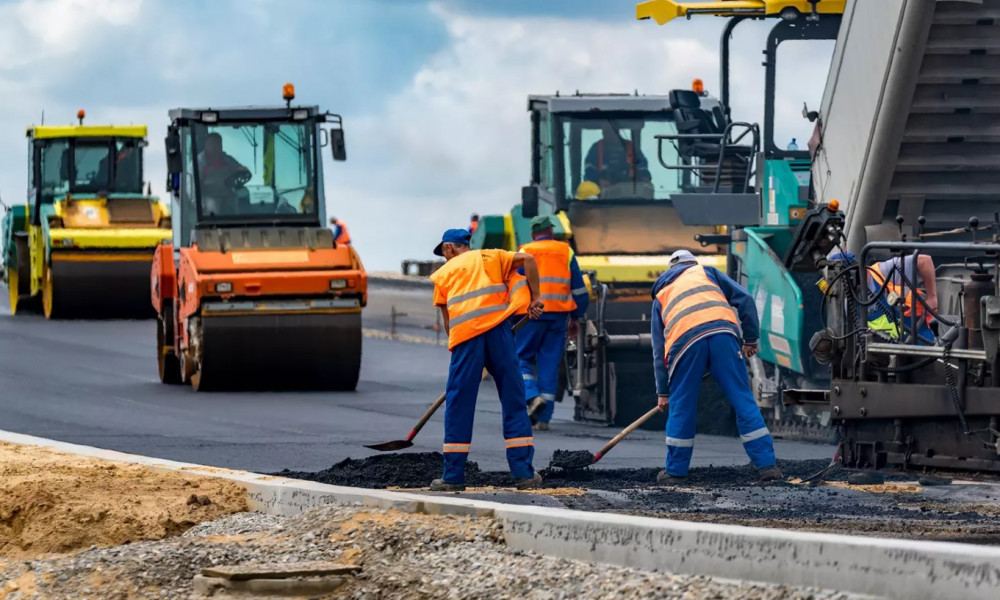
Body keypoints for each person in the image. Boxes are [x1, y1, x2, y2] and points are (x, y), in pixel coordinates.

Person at [428, 228, 546, 491]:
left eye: (444, 252)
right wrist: (536, 297)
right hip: (500, 333)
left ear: (449, 248)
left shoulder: (443, 274)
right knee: (514, 400)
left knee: (459, 404)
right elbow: (528, 260)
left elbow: (449, 324)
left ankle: (453, 477)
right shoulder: (491, 257)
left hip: (467, 340)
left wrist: (466, 357)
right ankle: (524, 474)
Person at [651, 250, 782, 483]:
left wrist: (663, 392)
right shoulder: (707, 273)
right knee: (743, 401)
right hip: (723, 335)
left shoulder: (661, 293)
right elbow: (746, 300)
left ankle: (675, 472)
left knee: (682, 406)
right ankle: (767, 467)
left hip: (684, 344)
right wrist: (750, 340)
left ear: (670, 270)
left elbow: (658, 349)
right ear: (693, 264)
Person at [510, 215, 589, 431]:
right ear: (550, 231)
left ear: (534, 233)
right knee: (549, 365)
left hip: (530, 316)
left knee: (519, 358)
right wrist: (577, 316)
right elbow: (580, 290)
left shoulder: (524, 250)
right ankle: (544, 419)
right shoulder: (566, 251)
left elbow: (514, 286)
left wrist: (511, 315)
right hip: (558, 317)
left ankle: (531, 396)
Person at [832, 252, 937, 344]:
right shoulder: (850, 303)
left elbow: (924, 260)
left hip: (922, 345)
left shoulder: (884, 271)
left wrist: (932, 297)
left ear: (853, 274)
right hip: (888, 357)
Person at [198, 132, 250, 215]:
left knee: (239, 198)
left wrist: (243, 170)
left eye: (219, 144)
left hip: (227, 193)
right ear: (207, 145)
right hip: (209, 195)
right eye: (214, 144)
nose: (218, 147)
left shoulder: (227, 159)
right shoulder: (200, 162)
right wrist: (196, 202)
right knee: (213, 206)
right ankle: (212, 226)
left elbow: (239, 168)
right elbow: (192, 186)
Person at [583, 123, 650, 186]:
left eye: (609, 130)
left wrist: (644, 177)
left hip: (630, 192)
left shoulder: (631, 147)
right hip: (603, 194)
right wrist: (597, 180)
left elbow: (642, 166)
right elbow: (589, 169)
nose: (605, 133)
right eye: (605, 131)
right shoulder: (596, 148)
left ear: (617, 131)